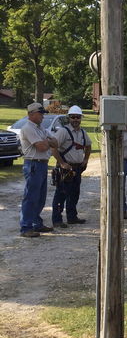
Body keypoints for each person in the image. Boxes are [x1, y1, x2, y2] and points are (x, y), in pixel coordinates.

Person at [19, 102, 58, 238]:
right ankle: (26, 227)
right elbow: (41, 147)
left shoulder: (40, 128)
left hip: (41, 164)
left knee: (40, 197)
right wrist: (48, 142)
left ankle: (36, 223)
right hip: (33, 164)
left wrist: (46, 142)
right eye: (40, 113)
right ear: (31, 114)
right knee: (31, 197)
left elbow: (56, 142)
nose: (42, 116)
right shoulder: (28, 128)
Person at [51, 106, 92, 227]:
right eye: (73, 117)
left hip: (77, 168)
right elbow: (53, 147)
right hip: (65, 169)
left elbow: (88, 146)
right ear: (69, 118)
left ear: (81, 118)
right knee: (61, 194)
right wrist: (62, 163)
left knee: (74, 193)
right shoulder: (63, 131)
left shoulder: (83, 132)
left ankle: (72, 217)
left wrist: (85, 159)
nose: (75, 119)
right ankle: (57, 220)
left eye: (77, 117)